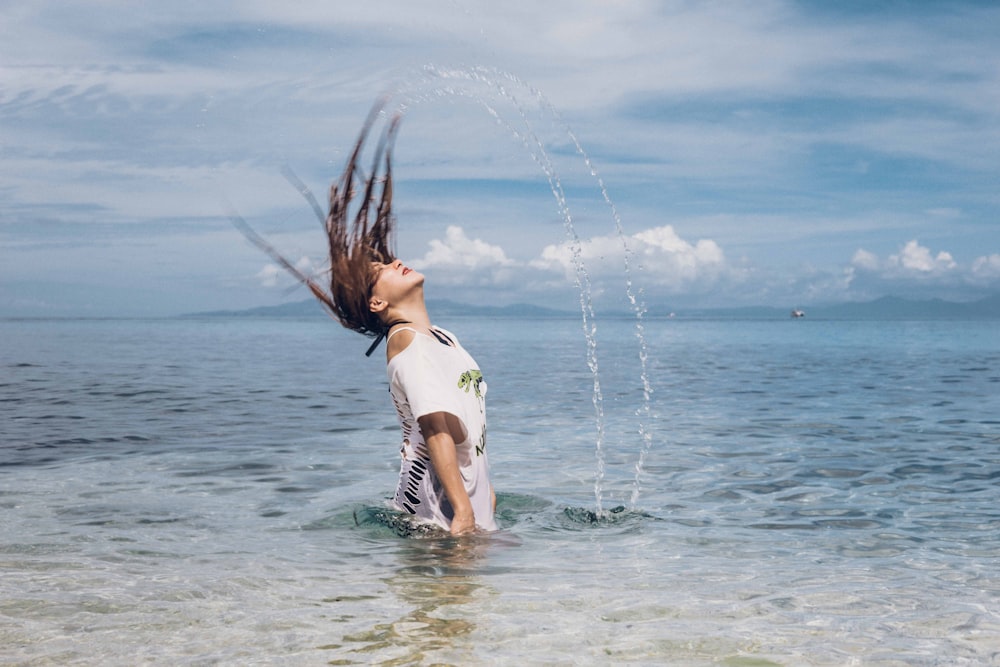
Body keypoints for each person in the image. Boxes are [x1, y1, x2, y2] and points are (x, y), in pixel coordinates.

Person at [232, 101, 497, 536]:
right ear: (377, 304)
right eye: (383, 272)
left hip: (462, 507)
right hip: (439, 515)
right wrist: (464, 514)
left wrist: (487, 495)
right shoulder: (405, 341)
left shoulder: (443, 338)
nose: (396, 264)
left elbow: (468, 424)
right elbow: (433, 423)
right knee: (440, 605)